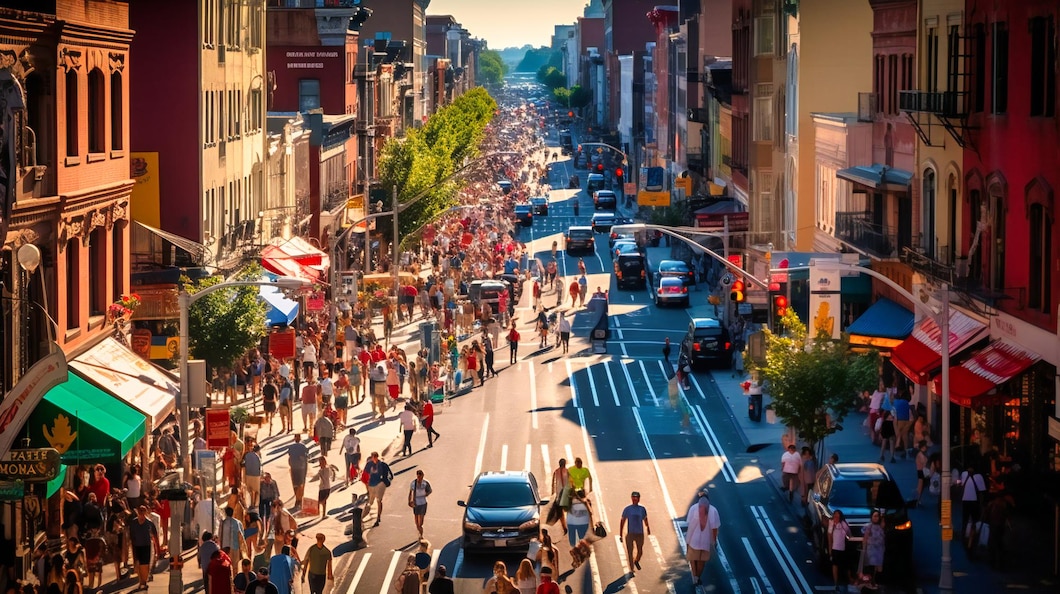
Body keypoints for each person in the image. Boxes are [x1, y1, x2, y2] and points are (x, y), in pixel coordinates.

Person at [684, 491, 720, 587]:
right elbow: (715, 528)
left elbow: (689, 523)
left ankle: (694, 577)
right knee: (701, 561)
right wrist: (714, 540)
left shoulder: (693, 508)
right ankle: (697, 577)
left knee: (693, 559)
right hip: (705, 541)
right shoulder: (713, 510)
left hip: (693, 540)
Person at [127, 505, 160, 591]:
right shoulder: (133, 523)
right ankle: (141, 581)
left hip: (146, 546)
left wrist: (157, 551)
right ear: (138, 513)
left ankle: (143, 582)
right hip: (136, 546)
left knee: (145, 566)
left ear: (145, 513)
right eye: (140, 512)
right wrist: (130, 545)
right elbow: (130, 536)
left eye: (143, 512)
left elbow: (155, 537)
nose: (141, 515)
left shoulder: (149, 523)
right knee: (138, 565)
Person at [619, 491, 650, 573]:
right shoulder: (627, 509)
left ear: (639, 499)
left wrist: (648, 527)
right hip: (630, 533)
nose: (635, 499)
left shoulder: (642, 509)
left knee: (640, 550)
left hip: (640, 533)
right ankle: (631, 568)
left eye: (636, 498)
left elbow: (645, 519)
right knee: (630, 551)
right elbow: (622, 521)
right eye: (633, 498)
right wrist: (621, 534)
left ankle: (636, 560)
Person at [364, 452, 393, 526]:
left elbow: (390, 475)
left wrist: (384, 481)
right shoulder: (369, 465)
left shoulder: (383, 465)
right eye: (373, 457)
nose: (374, 458)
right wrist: (367, 486)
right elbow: (365, 475)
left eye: (375, 457)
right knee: (370, 502)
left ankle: (378, 517)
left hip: (380, 484)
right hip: (371, 484)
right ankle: (363, 517)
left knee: (379, 500)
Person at [828, 509, 853, 591]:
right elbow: (829, 536)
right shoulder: (831, 524)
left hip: (843, 549)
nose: (836, 518)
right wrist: (830, 549)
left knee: (846, 565)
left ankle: (849, 580)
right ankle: (836, 584)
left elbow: (849, 533)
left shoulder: (843, 524)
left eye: (837, 517)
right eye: (835, 516)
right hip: (835, 549)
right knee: (835, 566)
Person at [862, 510, 886, 588]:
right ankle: (871, 583)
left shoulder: (881, 526)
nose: (876, 518)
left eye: (877, 516)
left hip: (879, 550)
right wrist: (864, 550)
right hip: (871, 550)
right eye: (874, 516)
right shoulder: (869, 526)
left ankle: (874, 582)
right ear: (871, 517)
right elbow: (865, 539)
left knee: (878, 568)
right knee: (871, 567)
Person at [287, 434, 309, 509]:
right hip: (301, 468)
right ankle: (299, 499)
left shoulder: (291, 447)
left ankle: (297, 499)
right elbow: (306, 457)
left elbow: (289, 456)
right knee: (301, 484)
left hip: (294, 467)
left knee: (295, 484)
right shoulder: (303, 447)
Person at [409, 470, 432, 537]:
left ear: (422, 476)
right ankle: (420, 532)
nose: (419, 478)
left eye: (421, 476)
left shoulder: (425, 483)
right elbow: (410, 492)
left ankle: (421, 535)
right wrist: (409, 501)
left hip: (423, 504)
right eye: (418, 476)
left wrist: (425, 494)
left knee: (420, 523)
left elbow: (430, 490)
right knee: (416, 522)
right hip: (416, 504)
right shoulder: (413, 483)